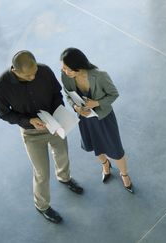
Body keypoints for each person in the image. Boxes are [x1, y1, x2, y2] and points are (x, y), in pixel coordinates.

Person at [0, 50, 84, 224]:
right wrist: (28, 120)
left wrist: (58, 112)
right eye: (28, 75)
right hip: (31, 133)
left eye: (34, 72)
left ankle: (64, 178)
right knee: (41, 172)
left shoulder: (44, 71)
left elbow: (57, 94)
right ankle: (42, 206)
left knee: (62, 154)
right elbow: (4, 114)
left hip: (55, 125)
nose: (33, 77)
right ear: (15, 70)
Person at [60, 47, 134, 193]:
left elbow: (114, 94)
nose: (64, 72)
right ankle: (105, 164)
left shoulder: (100, 76)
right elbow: (68, 95)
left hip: (104, 118)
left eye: (67, 69)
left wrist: (97, 103)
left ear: (78, 68)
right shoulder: (66, 76)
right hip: (85, 118)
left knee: (116, 149)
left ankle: (124, 174)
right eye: (62, 68)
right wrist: (75, 107)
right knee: (94, 145)